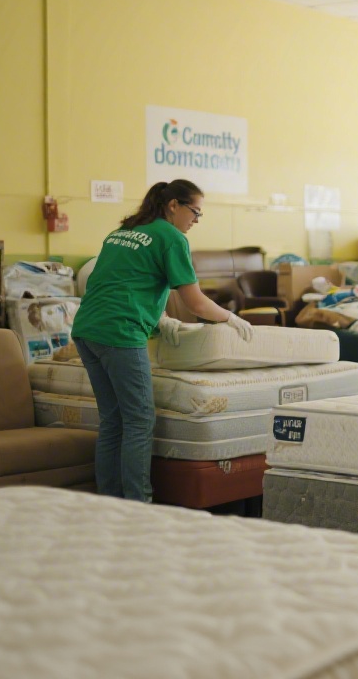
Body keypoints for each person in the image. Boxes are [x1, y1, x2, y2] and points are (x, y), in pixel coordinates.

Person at [71, 179, 254, 502]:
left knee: (113, 420)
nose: (196, 220)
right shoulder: (171, 238)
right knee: (140, 419)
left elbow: (116, 282)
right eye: (195, 211)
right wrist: (230, 317)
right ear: (174, 206)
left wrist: (159, 318)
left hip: (87, 329)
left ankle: (108, 501)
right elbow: (195, 302)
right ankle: (139, 503)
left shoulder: (122, 232)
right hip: (120, 333)